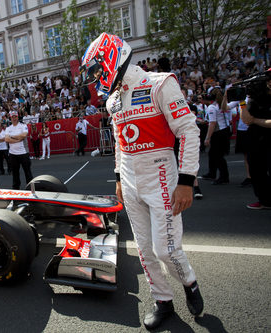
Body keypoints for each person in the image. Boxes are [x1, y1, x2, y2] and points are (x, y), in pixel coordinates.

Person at [80, 32, 203, 330]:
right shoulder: (112, 101)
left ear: (110, 59)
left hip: (162, 173)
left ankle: (189, 282)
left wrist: (187, 181)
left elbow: (188, 131)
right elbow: (121, 143)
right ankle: (163, 301)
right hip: (131, 178)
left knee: (166, 249)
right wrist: (119, 179)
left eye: (97, 72)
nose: (96, 82)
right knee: (145, 249)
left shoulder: (161, 83)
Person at [241, 70, 271, 209]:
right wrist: (241, 102)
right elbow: (247, 120)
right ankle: (264, 200)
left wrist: (256, 120)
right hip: (255, 140)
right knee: (256, 169)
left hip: (266, 138)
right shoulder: (255, 99)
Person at [201, 93, 230, 185]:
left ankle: (224, 177)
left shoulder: (211, 108)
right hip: (224, 130)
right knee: (212, 154)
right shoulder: (219, 105)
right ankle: (212, 173)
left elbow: (212, 123)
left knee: (218, 156)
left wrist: (207, 138)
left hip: (218, 132)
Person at [4, 111, 33, 189]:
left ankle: (31, 188)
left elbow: (24, 135)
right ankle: (16, 189)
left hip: (23, 153)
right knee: (15, 174)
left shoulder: (23, 126)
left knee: (28, 173)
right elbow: (6, 139)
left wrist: (12, 137)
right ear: (10, 118)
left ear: (17, 117)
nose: (14, 118)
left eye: (15, 116)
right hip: (13, 154)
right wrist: (17, 139)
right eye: (12, 117)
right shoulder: (8, 128)